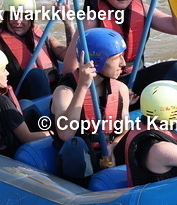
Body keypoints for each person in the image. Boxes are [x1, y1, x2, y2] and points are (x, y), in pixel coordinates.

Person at [77, 0, 177, 93]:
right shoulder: (92, 19)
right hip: (104, 86)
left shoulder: (143, 10)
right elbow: (71, 66)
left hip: (134, 80)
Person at [51, 28, 132, 184]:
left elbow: (124, 129)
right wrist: (82, 86)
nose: (123, 63)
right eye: (117, 58)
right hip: (79, 161)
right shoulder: (65, 91)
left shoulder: (120, 89)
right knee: (76, 147)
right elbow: (66, 134)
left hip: (107, 153)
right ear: (97, 61)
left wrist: (112, 147)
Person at [0, 0, 74, 99]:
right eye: (13, 16)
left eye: (24, 17)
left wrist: (68, 23)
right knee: (37, 74)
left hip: (55, 92)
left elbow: (70, 56)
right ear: (6, 17)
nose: (18, 21)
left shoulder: (42, 36)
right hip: (25, 98)